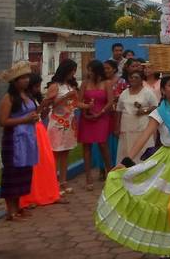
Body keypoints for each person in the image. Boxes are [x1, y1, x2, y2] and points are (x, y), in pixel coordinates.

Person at [95, 60, 170, 256]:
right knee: (167, 204)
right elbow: (143, 137)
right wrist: (124, 162)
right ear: (162, 90)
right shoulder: (159, 113)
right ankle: (169, 247)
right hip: (169, 160)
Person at [0, 60, 40, 221]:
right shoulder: (9, 98)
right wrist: (24, 120)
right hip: (14, 140)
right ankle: (10, 210)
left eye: (27, 77)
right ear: (15, 81)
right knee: (12, 174)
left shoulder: (27, 96)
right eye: (23, 78)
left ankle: (18, 205)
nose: (26, 80)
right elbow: (3, 121)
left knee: (23, 172)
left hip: (28, 138)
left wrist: (33, 118)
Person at [20, 73, 61, 208]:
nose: (38, 89)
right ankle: (32, 195)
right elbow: (29, 115)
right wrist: (42, 105)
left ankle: (48, 192)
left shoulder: (35, 97)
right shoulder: (24, 99)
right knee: (34, 165)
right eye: (36, 86)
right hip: (30, 130)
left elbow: (40, 116)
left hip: (40, 129)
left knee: (47, 162)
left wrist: (45, 109)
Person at [78, 59, 113, 188]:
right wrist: (86, 109)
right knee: (86, 147)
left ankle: (110, 173)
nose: (89, 73)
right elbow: (78, 101)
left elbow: (110, 101)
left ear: (97, 71)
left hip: (102, 117)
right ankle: (88, 178)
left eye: (91, 70)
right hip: (87, 117)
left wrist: (101, 112)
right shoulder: (84, 84)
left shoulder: (107, 83)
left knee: (103, 145)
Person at [46, 59, 78, 194]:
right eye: (72, 70)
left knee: (66, 152)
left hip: (69, 122)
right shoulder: (55, 86)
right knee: (56, 152)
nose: (73, 73)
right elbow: (52, 104)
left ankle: (63, 181)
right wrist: (66, 96)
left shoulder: (70, 85)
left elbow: (74, 103)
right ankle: (52, 183)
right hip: (57, 123)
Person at [116, 69, 159, 163]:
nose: (133, 79)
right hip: (126, 128)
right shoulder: (124, 93)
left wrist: (144, 110)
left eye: (136, 77)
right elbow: (119, 110)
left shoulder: (148, 92)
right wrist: (117, 126)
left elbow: (156, 107)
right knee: (127, 150)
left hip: (142, 127)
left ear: (141, 79)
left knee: (143, 150)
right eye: (131, 77)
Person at [103, 59, 128, 168]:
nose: (105, 70)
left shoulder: (122, 81)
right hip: (103, 115)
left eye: (108, 68)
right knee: (103, 141)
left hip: (118, 115)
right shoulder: (100, 82)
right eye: (104, 68)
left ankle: (116, 164)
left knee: (116, 141)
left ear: (114, 69)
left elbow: (126, 97)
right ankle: (103, 166)